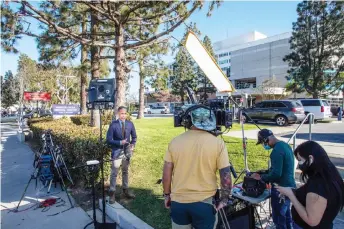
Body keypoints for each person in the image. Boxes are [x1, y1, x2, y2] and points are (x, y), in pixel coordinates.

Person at [162, 105, 232, 229]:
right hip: (205, 203)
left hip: (178, 202)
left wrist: (167, 195)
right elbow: (225, 175)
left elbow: (166, 172)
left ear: (187, 121)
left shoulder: (175, 141)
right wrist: (224, 199)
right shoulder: (218, 143)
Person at [276, 141, 344, 229]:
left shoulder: (317, 184)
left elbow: (312, 221)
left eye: (300, 160)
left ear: (310, 158)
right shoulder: (331, 174)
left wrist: (290, 195)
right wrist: (295, 192)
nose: (299, 165)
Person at [252, 129, 296, 229]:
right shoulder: (285, 145)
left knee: (279, 220)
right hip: (289, 187)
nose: (264, 146)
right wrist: (263, 172)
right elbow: (279, 167)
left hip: (280, 189)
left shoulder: (276, 151)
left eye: (263, 143)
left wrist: (261, 177)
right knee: (287, 217)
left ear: (266, 140)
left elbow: (276, 174)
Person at [106, 106, 137, 204]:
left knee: (125, 171)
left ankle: (125, 191)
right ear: (118, 114)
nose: (123, 115)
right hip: (116, 152)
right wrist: (120, 142)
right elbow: (109, 140)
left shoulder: (130, 124)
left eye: (124, 113)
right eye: (121, 114)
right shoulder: (113, 125)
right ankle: (112, 194)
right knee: (114, 173)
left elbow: (134, 137)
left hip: (127, 152)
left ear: (126, 114)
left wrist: (132, 145)